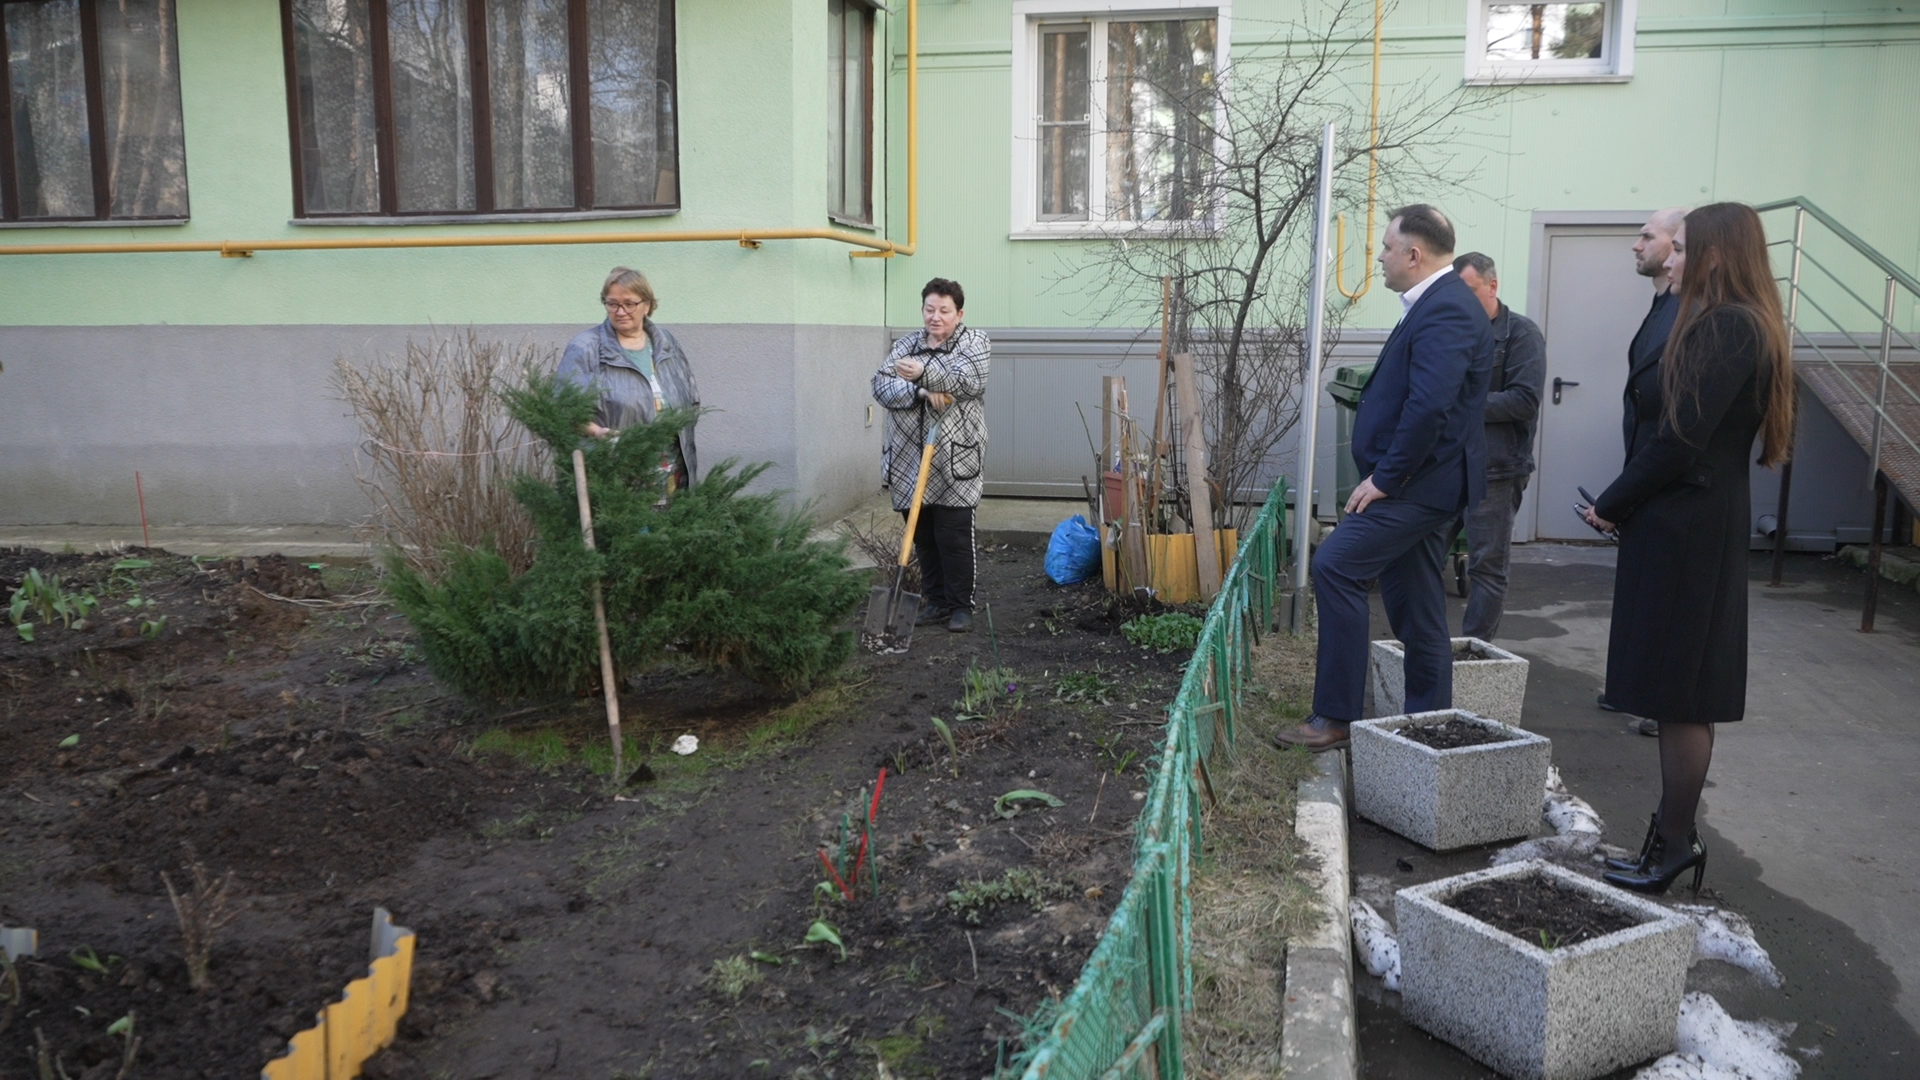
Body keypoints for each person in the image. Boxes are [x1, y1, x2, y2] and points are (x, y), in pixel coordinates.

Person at [1582, 202, 1796, 895]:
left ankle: (1674, 842)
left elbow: (1679, 439)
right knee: (1677, 690)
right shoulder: (1730, 321)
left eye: (1685, 248)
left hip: (1689, 529)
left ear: (1717, 252)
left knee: (1683, 692)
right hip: (1684, 521)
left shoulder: (1731, 326)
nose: (1674, 258)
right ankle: (1670, 838)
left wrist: (1612, 503)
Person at [1275, 206, 1495, 751]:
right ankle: (1429, 724)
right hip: (1421, 483)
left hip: (1417, 486)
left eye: (1386, 248)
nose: (1378, 258)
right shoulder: (1438, 303)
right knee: (1418, 606)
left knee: (1335, 566)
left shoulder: (1447, 309)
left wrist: (1386, 479)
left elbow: (1429, 407)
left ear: (1414, 254)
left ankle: (1335, 718)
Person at [1602, 208, 1688, 735]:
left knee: (1663, 602)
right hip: (1645, 475)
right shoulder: (1661, 305)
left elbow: (1679, 427)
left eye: (1649, 237)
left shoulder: (1688, 316)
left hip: (1673, 492)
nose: (1638, 245)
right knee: (1640, 596)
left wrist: (1620, 496)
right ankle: (1634, 687)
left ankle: (1661, 701)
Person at [872, 279, 991, 634]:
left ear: (959, 314)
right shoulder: (906, 345)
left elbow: (969, 380)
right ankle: (936, 602)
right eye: (929, 309)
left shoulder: (974, 342)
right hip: (910, 458)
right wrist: (922, 391)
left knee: (954, 535)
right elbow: (881, 384)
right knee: (922, 535)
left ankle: (960, 607)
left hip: (955, 457)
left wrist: (925, 372)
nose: (935, 317)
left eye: (944, 311)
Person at [1448, 253, 1544, 641]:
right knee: (1420, 554)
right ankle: (1429, 649)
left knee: (1486, 566)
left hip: (1496, 470)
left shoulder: (1521, 334)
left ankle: (1474, 652)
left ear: (1492, 286)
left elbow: (1524, 400)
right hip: (1449, 464)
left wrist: (1461, 404)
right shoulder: (1453, 331)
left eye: (1469, 291)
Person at [556, 267, 700, 492]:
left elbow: (691, 398)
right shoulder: (585, 348)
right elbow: (564, 409)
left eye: (629, 304)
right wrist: (596, 432)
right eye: (612, 304)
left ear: (647, 305)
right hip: (617, 477)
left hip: (672, 474)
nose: (620, 311)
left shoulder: (666, 343)